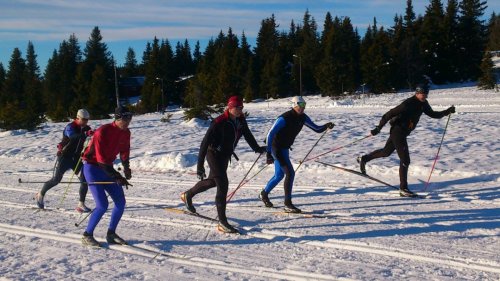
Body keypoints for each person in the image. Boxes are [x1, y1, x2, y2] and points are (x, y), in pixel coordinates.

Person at [181, 96, 266, 233]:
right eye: (238, 108)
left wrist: (257, 148)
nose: (240, 110)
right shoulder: (219, 122)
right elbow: (204, 144)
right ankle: (222, 222)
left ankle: (188, 195)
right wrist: (200, 166)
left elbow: (247, 134)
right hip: (213, 154)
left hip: (225, 156)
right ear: (230, 107)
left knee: (212, 182)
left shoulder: (240, 120)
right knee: (223, 184)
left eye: (242, 107)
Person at [357, 84, 455, 197]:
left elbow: (433, 114)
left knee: (386, 152)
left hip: (403, 133)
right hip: (398, 131)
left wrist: (447, 111)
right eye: (422, 94)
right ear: (417, 93)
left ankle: (364, 159)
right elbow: (389, 114)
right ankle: (403, 188)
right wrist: (378, 128)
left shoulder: (424, 104)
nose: (424, 96)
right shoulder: (407, 103)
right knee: (405, 160)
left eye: (426, 94)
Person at [260, 96, 334, 213]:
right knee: (290, 173)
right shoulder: (284, 118)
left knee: (279, 175)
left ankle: (263, 194)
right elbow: (270, 133)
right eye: (300, 105)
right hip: (276, 148)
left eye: (304, 105)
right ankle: (287, 204)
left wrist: (326, 126)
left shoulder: (303, 118)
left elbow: (316, 128)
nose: (302, 108)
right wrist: (268, 153)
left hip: (284, 148)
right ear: (294, 105)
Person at [80, 106, 132, 247]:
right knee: (102, 205)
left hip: (106, 168)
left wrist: (126, 168)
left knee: (120, 203)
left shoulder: (126, 132)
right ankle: (87, 235)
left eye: (129, 119)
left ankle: (111, 233)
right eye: (125, 119)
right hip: (92, 167)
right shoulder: (103, 131)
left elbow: (124, 151)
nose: (127, 122)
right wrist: (117, 176)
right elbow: (101, 160)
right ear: (117, 118)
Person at [35, 109, 92, 212]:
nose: (85, 122)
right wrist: (86, 134)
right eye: (83, 119)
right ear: (77, 118)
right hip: (64, 157)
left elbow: (88, 140)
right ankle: (40, 194)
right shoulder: (70, 127)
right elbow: (73, 137)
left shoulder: (86, 128)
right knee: (56, 180)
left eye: (87, 120)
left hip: (76, 158)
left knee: (84, 180)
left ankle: (81, 204)